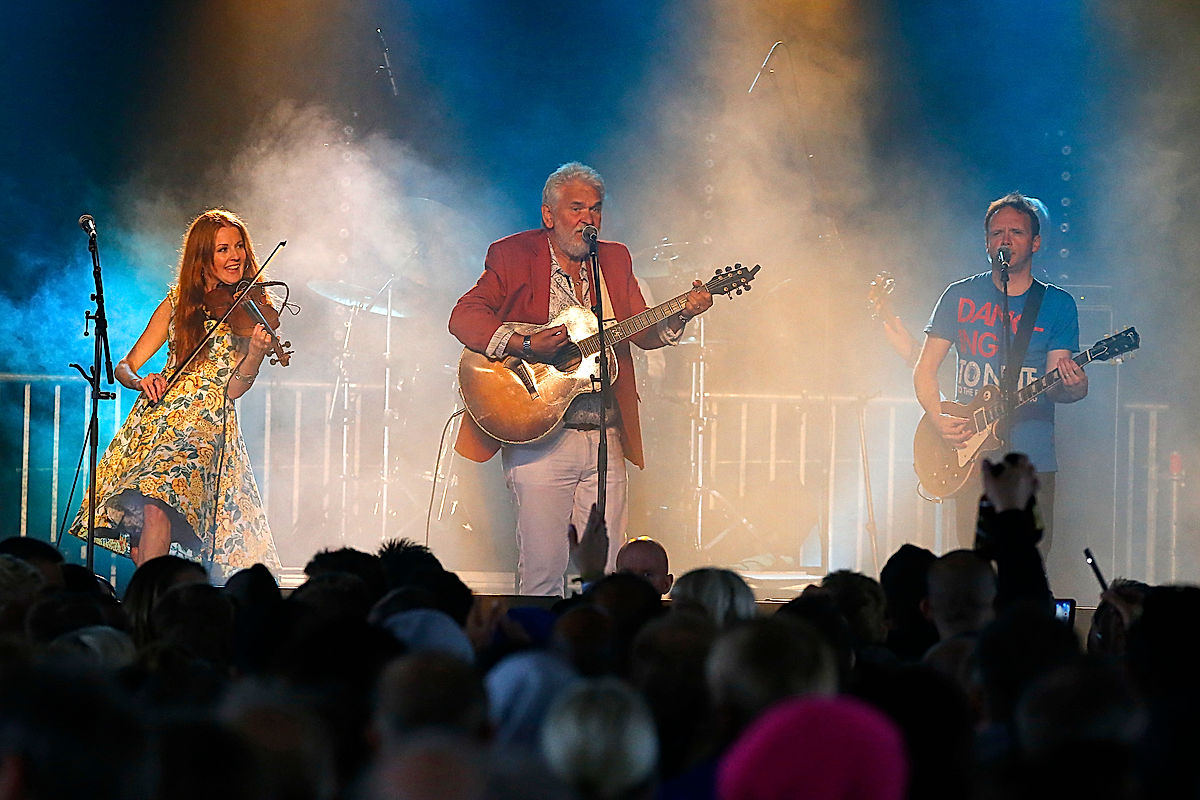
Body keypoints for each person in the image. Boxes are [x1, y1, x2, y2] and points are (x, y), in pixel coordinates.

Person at [449, 162, 712, 596]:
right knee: (543, 569)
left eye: (596, 208)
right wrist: (527, 347)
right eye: (576, 208)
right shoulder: (513, 255)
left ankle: (602, 648)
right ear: (549, 216)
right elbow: (465, 317)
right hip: (538, 433)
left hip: (606, 432)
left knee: (607, 573)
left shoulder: (614, 258)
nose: (588, 218)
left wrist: (682, 310)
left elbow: (639, 330)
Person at [68, 209, 281, 579]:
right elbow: (125, 366)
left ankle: (147, 607)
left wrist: (256, 355)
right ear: (203, 257)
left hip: (206, 424)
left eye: (239, 247)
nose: (235, 256)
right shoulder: (180, 300)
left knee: (157, 502)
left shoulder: (250, 306)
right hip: (158, 420)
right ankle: (153, 605)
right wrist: (140, 380)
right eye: (222, 249)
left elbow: (233, 389)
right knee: (145, 525)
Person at [914, 192, 1087, 549]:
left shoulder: (1056, 304)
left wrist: (1074, 385)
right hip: (971, 456)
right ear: (987, 243)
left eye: (1016, 232)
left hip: (1031, 460)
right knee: (974, 562)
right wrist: (937, 417)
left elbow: (1058, 384)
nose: (1005, 240)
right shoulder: (959, 296)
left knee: (1030, 564)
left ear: (1036, 242)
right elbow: (925, 369)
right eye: (996, 233)